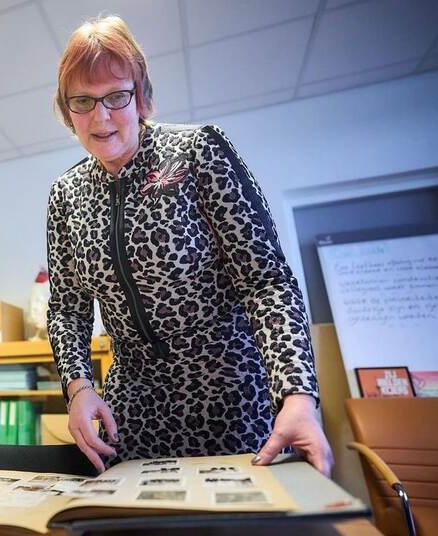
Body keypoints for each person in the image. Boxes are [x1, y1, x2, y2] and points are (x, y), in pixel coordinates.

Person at [47, 16, 333, 475]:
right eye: (83, 101)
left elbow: (267, 282)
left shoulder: (198, 151)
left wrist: (297, 394)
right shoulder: (66, 195)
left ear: (140, 95)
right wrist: (79, 387)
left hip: (233, 397)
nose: (101, 117)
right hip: (134, 412)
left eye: (116, 96)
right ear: (68, 111)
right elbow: (68, 308)